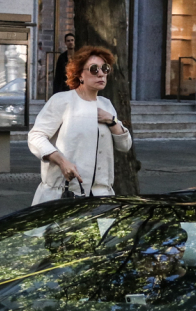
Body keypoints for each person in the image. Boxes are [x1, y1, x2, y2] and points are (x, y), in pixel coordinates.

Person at [28, 46, 132, 205]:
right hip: (64, 194)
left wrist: (112, 121)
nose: (101, 73)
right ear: (80, 75)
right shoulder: (62, 101)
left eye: (105, 69)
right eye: (93, 69)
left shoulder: (106, 105)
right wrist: (61, 161)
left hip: (101, 196)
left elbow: (125, 146)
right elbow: (36, 137)